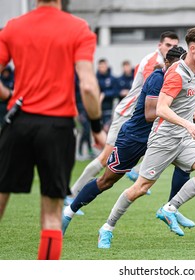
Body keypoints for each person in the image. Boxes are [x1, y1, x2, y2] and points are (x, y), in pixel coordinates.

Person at [0, 0, 105, 260]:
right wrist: (95, 127)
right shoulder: (78, 28)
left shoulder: (14, 27)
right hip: (58, 128)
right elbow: (89, 87)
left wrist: (9, 95)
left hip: (19, 123)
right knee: (51, 216)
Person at [97, 26, 195, 249]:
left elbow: (184, 99)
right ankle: (107, 227)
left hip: (182, 138)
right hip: (163, 138)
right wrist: (187, 123)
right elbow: (161, 109)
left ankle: (169, 209)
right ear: (193, 49)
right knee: (140, 188)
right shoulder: (177, 73)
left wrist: (190, 111)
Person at [61, 46, 195, 236]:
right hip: (134, 138)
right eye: (177, 64)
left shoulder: (180, 79)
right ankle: (68, 213)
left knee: (186, 165)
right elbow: (150, 114)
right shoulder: (158, 79)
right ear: (167, 63)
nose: (180, 68)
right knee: (106, 181)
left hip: (160, 137)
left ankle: (171, 208)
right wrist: (179, 116)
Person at [65, 31, 179, 204]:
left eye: (174, 46)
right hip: (128, 113)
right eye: (168, 45)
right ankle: (72, 194)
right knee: (105, 158)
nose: (171, 48)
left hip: (140, 116)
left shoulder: (167, 63)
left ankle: (137, 172)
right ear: (160, 45)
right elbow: (153, 92)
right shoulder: (154, 63)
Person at [75, 74, 95, 161]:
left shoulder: (88, 83)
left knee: (87, 130)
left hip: (88, 110)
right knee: (86, 129)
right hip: (80, 111)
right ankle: (79, 152)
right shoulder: (76, 86)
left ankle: (90, 150)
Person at [96, 58, 118, 133]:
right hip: (97, 108)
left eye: (103, 66)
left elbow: (116, 92)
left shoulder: (112, 79)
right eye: (100, 66)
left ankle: (107, 144)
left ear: (106, 66)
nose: (102, 68)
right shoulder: (95, 78)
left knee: (107, 128)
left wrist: (104, 94)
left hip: (108, 107)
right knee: (98, 129)